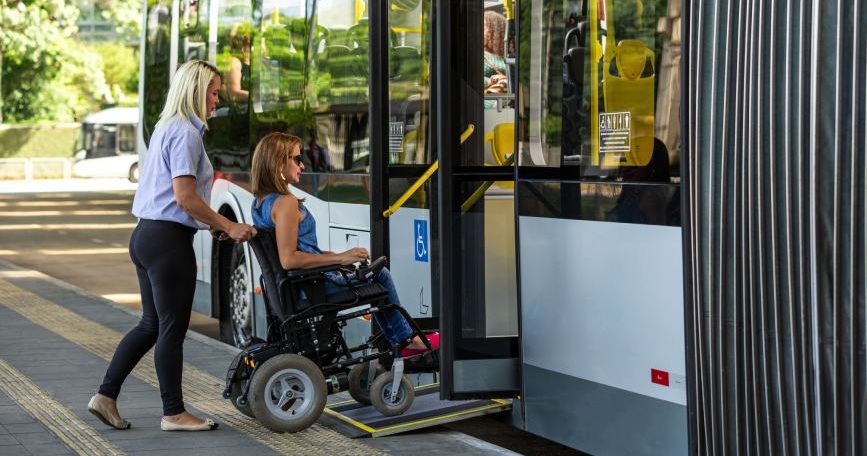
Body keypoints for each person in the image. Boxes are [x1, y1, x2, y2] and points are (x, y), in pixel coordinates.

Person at [87, 60, 257, 432]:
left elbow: (174, 195)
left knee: (151, 325)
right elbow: (184, 196)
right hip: (167, 242)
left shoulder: (166, 127)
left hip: (146, 235)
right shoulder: (186, 133)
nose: (216, 100)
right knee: (171, 329)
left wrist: (211, 225)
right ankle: (174, 412)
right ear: (196, 91)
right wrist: (228, 223)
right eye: (213, 93)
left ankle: (105, 396)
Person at [249, 132, 437, 356]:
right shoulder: (285, 203)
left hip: (299, 287)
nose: (303, 164)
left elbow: (301, 250)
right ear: (279, 161)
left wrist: (337, 258)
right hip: (310, 289)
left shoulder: (260, 203)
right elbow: (289, 259)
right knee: (380, 274)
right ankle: (407, 341)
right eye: (297, 159)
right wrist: (340, 258)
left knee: (369, 273)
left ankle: (398, 340)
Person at [483, 10, 508, 108]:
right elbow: (469, 78)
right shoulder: (477, 53)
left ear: (495, 31)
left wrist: (503, 78)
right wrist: (490, 81)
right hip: (486, 102)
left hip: (507, 100)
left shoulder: (507, 56)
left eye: (484, 27)